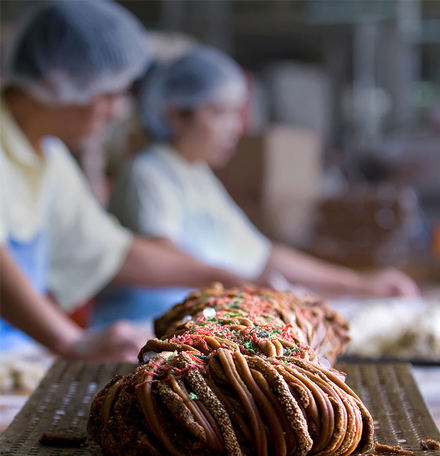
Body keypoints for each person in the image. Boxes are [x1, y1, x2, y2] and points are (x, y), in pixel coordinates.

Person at [97, 46, 420, 326]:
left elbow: (261, 256)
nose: (236, 128)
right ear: (175, 115)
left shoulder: (196, 176)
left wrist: (361, 284)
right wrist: (242, 283)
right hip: (140, 335)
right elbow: (163, 256)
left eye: (238, 113)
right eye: (220, 112)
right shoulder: (147, 174)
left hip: (196, 331)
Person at [0, 3, 244, 362]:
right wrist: (70, 341)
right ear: (57, 81)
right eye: (108, 94)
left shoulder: (49, 159)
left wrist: (217, 276)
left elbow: (111, 250)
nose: (116, 110)